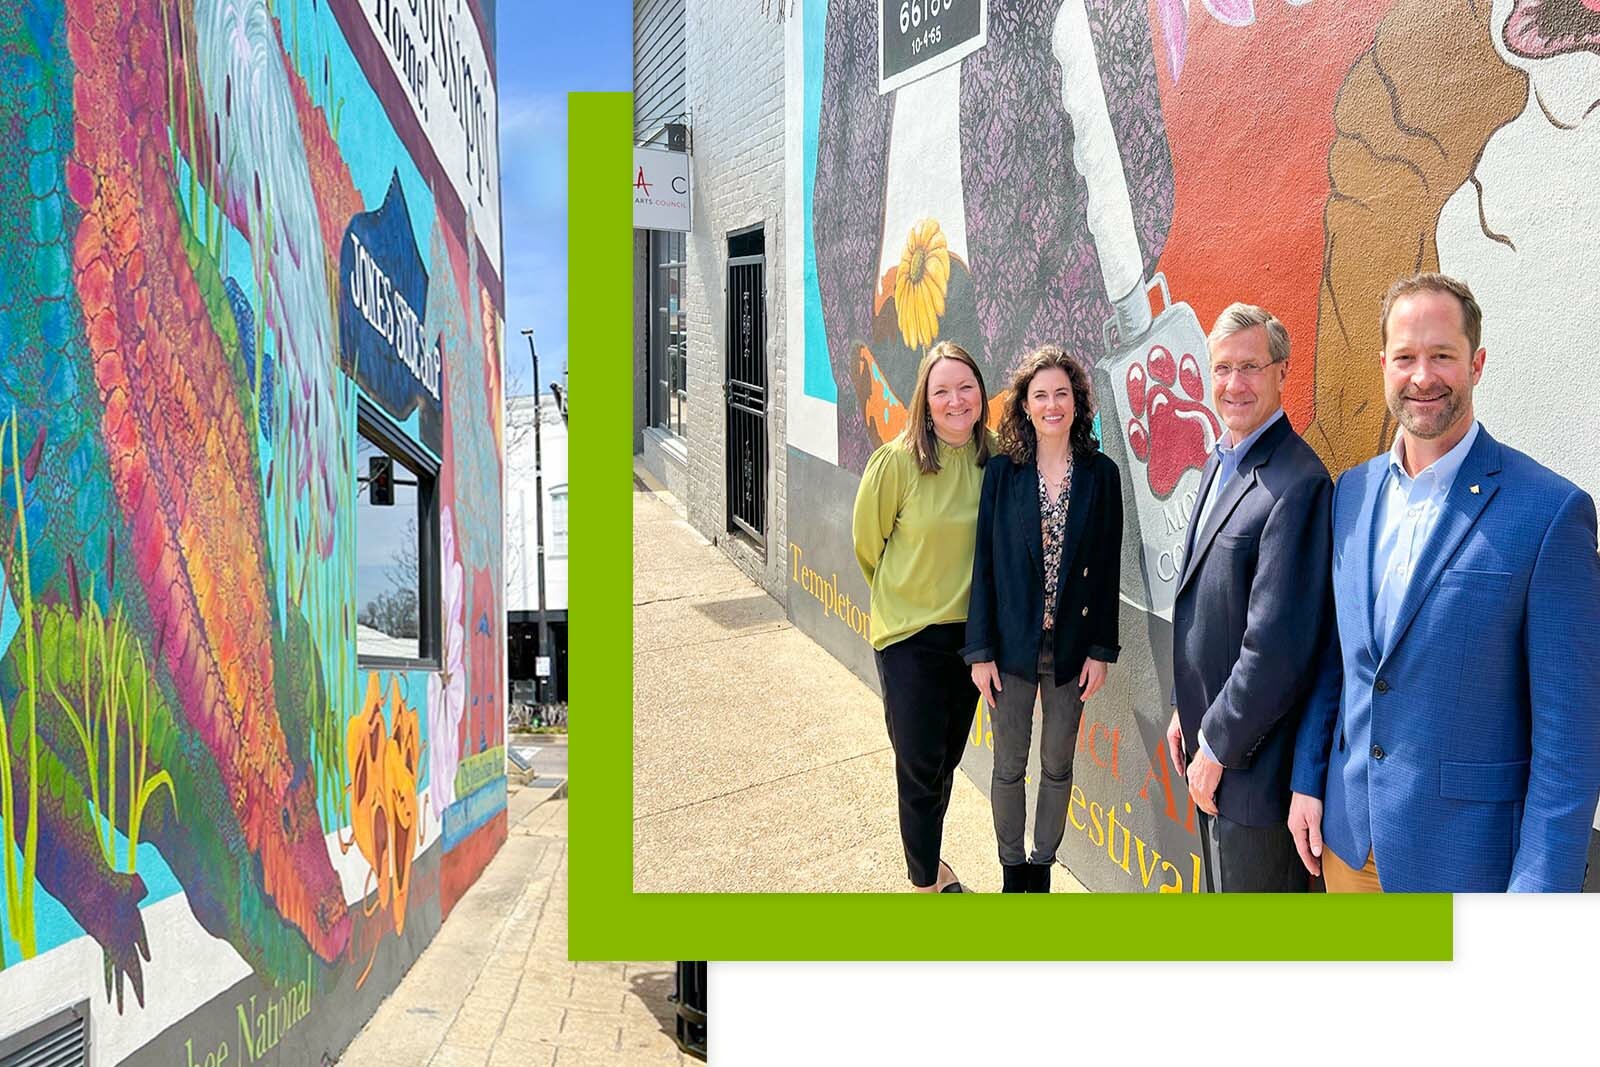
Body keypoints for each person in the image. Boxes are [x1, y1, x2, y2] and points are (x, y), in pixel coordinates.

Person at [1288, 272, 1600, 892]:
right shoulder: (1351, 491)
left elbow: (1569, 745)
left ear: (1477, 363)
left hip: (1465, 864)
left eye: (1442, 356)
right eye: (1405, 357)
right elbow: (1341, 657)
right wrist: (1308, 776)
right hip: (1348, 843)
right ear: (1383, 365)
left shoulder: (1549, 513)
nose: (1422, 376)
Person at [1163, 304, 1332, 893]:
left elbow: (1277, 651)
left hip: (1253, 776)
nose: (1234, 384)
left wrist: (1215, 745)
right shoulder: (1221, 458)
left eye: (1251, 367)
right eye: (1223, 368)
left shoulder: (1298, 483)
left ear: (1282, 372)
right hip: (1212, 756)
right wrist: (1190, 712)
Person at [962, 346, 1122, 893]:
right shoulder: (1003, 475)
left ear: (1077, 403)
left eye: (1062, 394)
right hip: (1009, 647)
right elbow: (983, 562)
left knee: (1057, 765)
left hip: (1072, 649)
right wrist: (979, 650)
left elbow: (1106, 570)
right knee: (1007, 766)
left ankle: (1042, 869)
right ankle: (1013, 873)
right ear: (1024, 407)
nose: (1052, 405)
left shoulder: (1102, 476)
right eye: (1040, 395)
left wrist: (1102, 649)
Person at [853, 341, 995, 893]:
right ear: (925, 400)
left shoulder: (1000, 461)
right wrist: (904, 600)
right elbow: (869, 544)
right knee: (917, 766)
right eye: (942, 391)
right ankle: (924, 886)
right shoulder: (897, 462)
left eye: (965, 387)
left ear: (981, 393)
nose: (955, 400)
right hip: (908, 636)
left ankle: (931, 862)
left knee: (943, 763)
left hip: (972, 640)